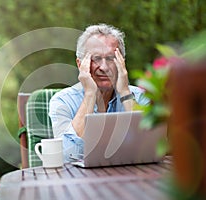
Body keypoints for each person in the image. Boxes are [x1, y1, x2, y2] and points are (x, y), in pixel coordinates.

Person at [49, 23, 149, 162]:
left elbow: (150, 148)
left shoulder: (139, 96)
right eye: (96, 58)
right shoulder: (62, 101)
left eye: (110, 58)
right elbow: (67, 156)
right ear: (80, 64)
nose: (104, 67)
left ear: (121, 62)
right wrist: (90, 94)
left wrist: (125, 91)